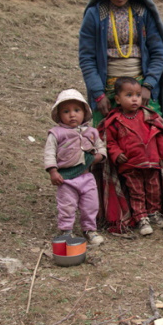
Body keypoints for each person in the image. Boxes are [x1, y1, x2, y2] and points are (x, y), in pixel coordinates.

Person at [79, 0, 163, 129]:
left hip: (140, 90)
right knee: (106, 145)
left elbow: (158, 53)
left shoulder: (142, 14)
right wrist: (98, 94)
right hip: (107, 92)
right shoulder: (94, 15)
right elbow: (87, 59)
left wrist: (148, 86)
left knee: (153, 138)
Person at [99, 77, 163, 238]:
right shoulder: (115, 121)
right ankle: (141, 218)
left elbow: (159, 134)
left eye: (137, 95)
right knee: (136, 192)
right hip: (131, 166)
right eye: (129, 95)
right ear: (117, 99)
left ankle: (153, 213)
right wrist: (116, 154)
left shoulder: (148, 116)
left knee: (154, 190)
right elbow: (109, 142)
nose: (135, 99)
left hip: (151, 162)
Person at [44, 89, 106, 246]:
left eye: (77, 110)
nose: (72, 115)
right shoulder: (56, 133)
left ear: (84, 112)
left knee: (91, 204)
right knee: (67, 205)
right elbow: (49, 153)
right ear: (59, 115)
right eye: (66, 111)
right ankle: (66, 231)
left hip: (86, 176)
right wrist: (53, 171)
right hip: (66, 179)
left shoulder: (91, 132)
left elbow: (101, 147)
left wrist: (99, 156)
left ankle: (90, 230)